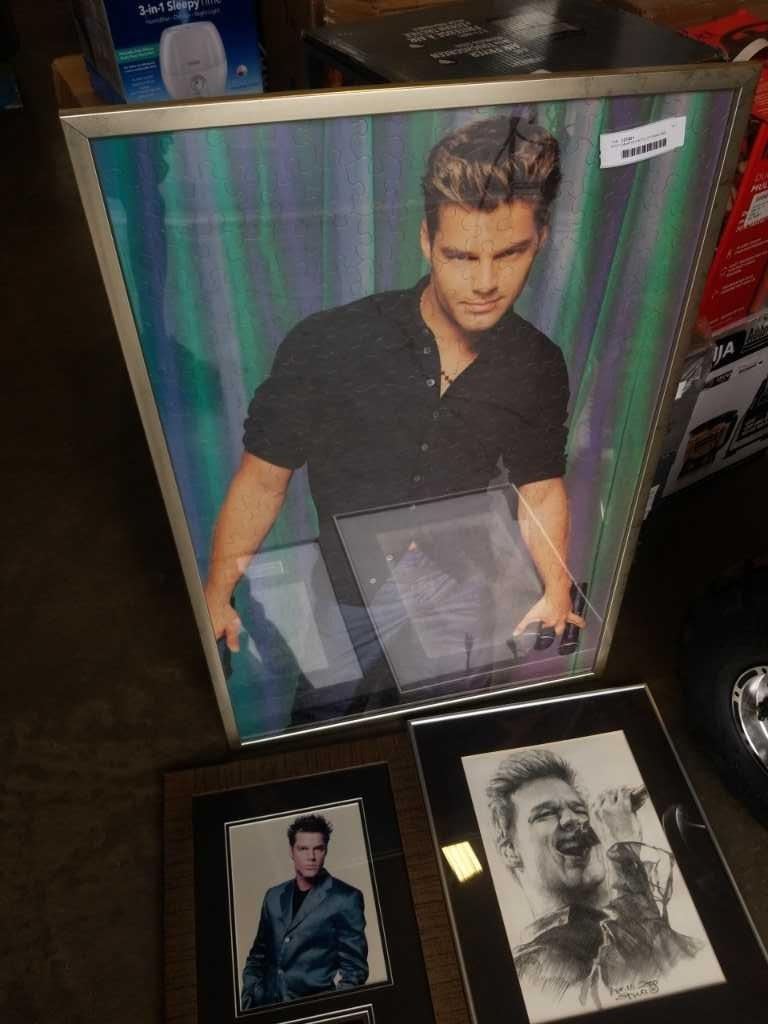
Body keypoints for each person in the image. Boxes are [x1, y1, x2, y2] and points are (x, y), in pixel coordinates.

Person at [204, 115, 585, 706]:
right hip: (346, 593)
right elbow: (262, 480)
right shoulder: (331, 341)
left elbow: (539, 487)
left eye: (509, 253)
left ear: (540, 239)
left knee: (445, 725)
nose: (485, 282)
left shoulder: (537, 362)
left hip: (459, 590)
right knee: (324, 723)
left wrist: (556, 587)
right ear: (426, 241)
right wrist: (216, 591)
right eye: (461, 256)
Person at [486, 749, 701, 1011]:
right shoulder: (530, 968)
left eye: (579, 810)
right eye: (545, 814)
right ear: (510, 850)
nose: (573, 820)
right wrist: (623, 850)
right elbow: (629, 984)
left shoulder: (659, 923)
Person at [241, 813, 369, 1009]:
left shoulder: (346, 898)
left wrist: (327, 1011)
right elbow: (258, 955)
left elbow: (355, 971)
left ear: (326, 850)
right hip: (264, 1007)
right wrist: (250, 995)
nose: (311, 857)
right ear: (291, 851)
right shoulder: (273, 896)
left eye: (318, 848)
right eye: (303, 849)